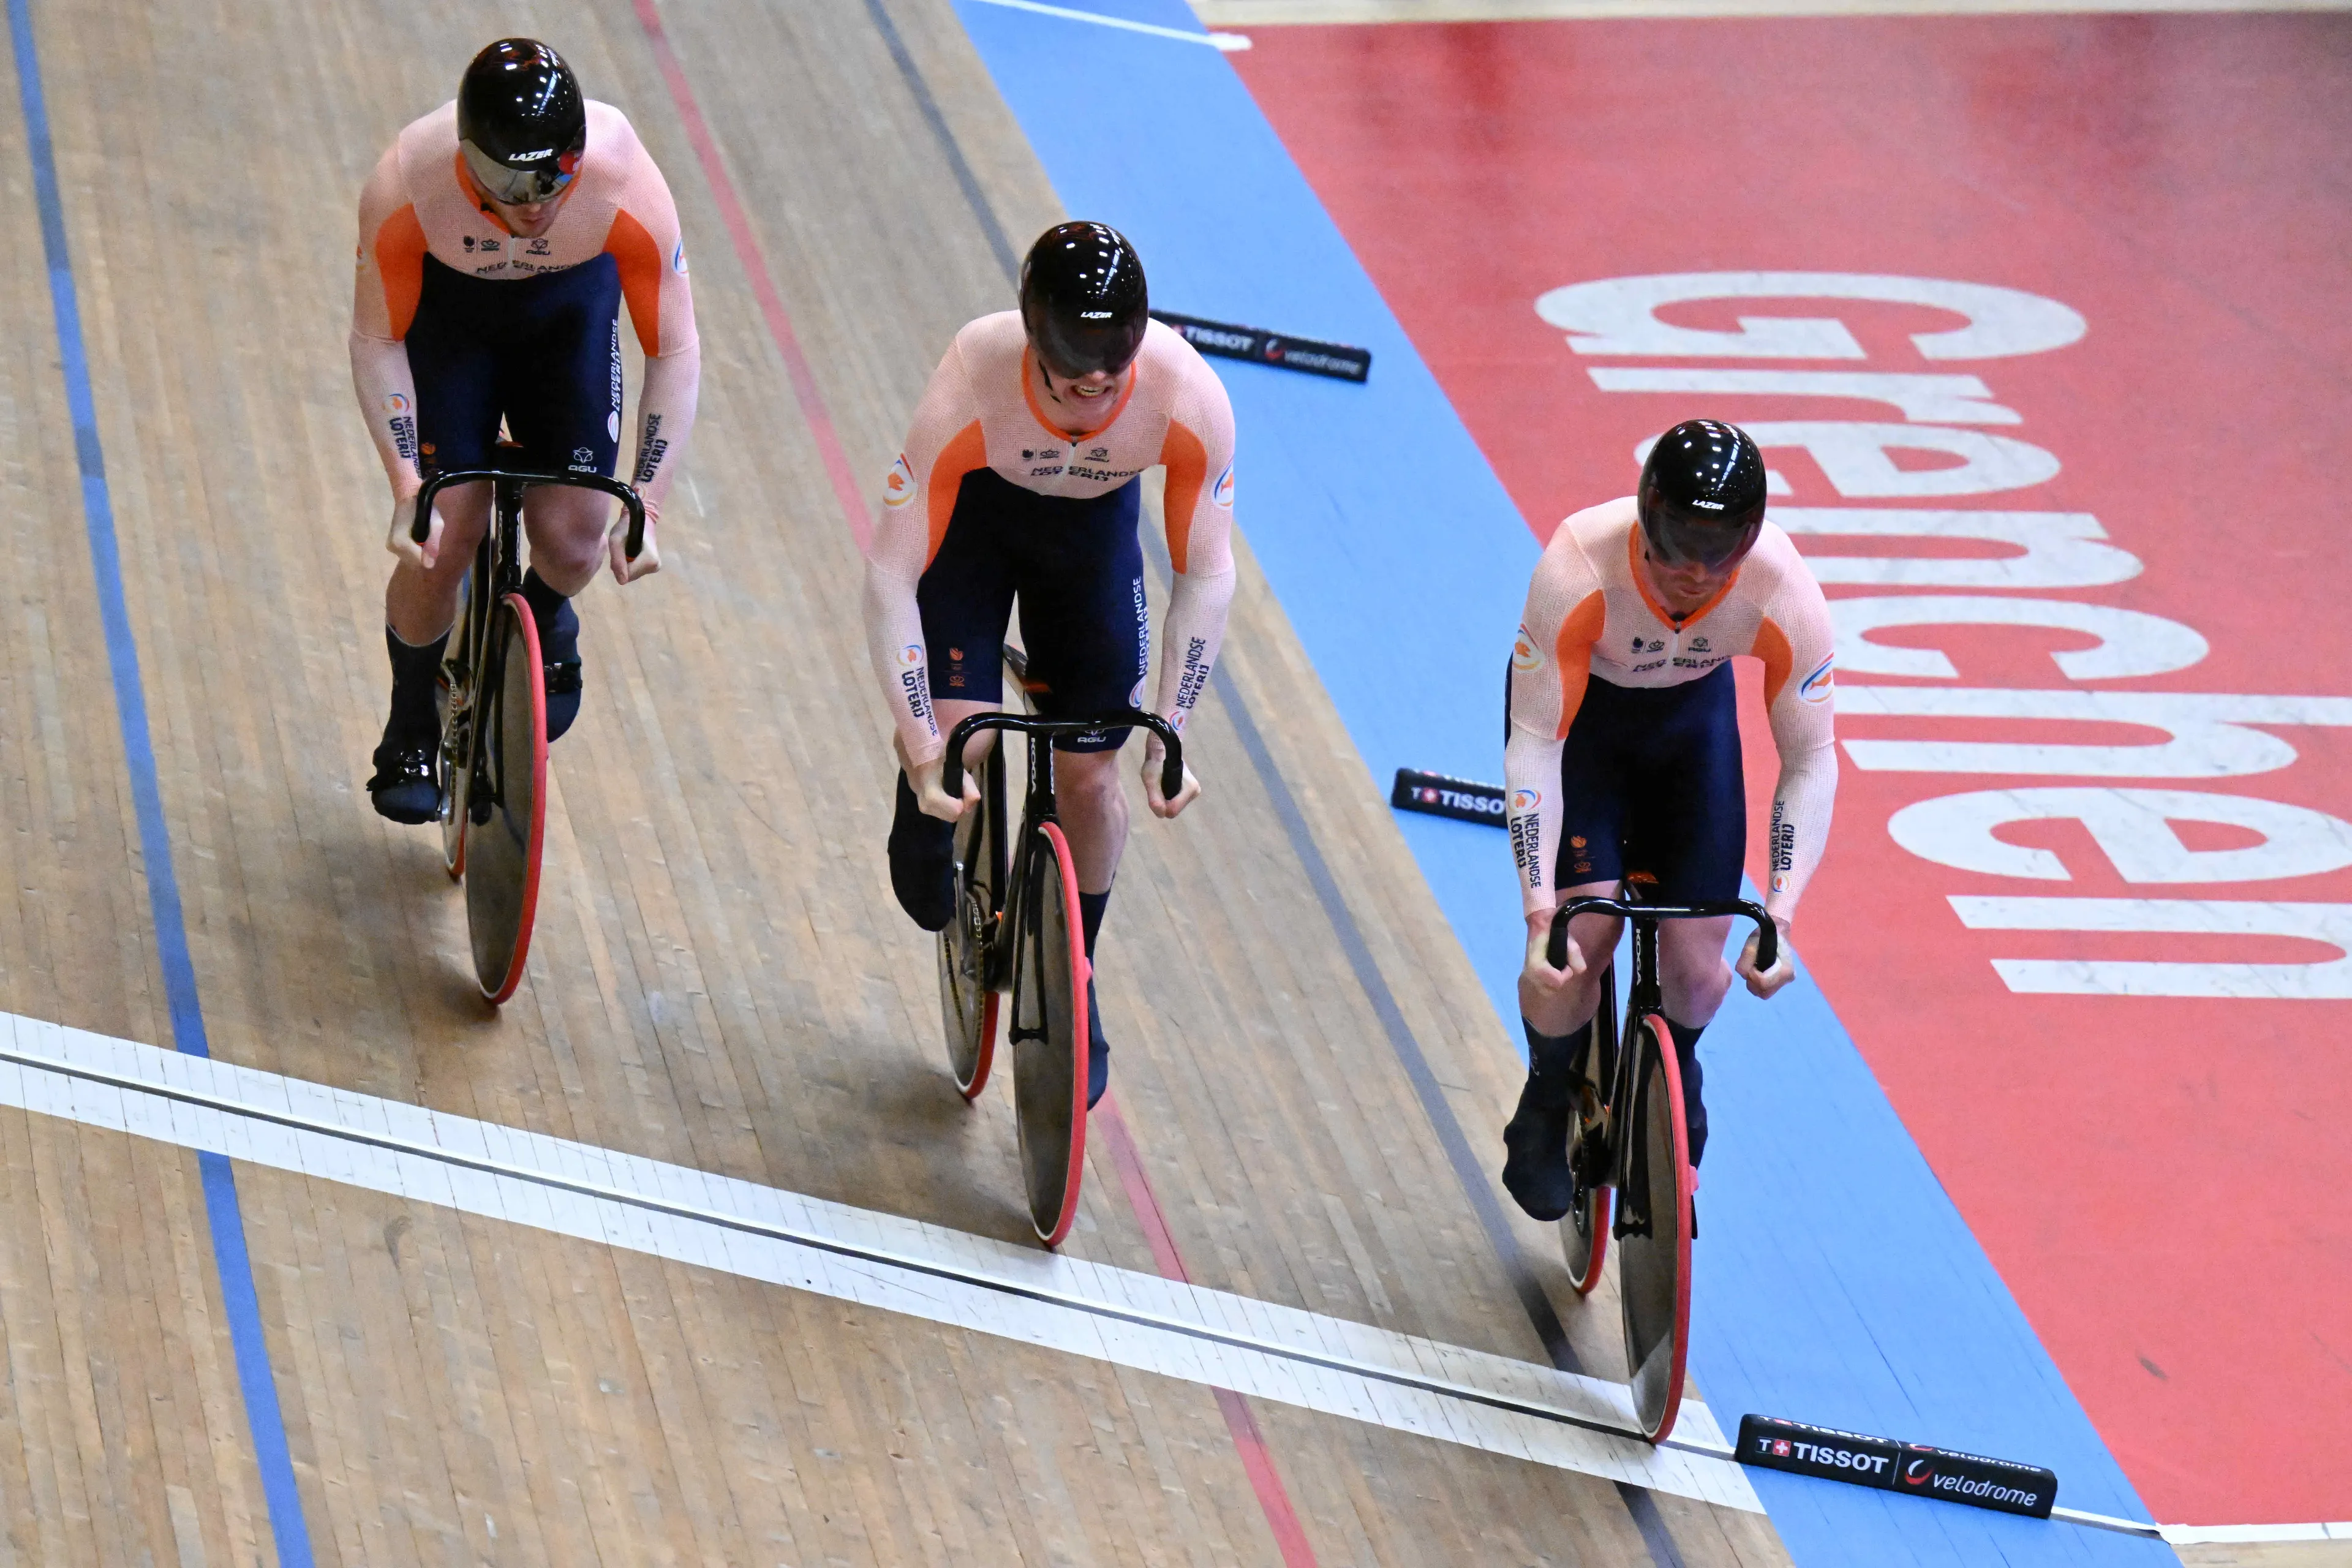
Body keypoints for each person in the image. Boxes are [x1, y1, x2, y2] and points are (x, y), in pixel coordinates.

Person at [863, 221, 1237, 1107]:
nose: (1096, 388)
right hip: (979, 533)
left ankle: (1078, 969)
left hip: (1090, 544)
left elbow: (1207, 574)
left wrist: (1172, 729)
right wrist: (922, 744)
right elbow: (890, 572)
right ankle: (926, 811)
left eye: (1113, 368)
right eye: (1073, 374)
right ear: (1034, 342)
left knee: (1093, 780)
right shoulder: (972, 380)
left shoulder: (1190, 396)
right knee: (966, 744)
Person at [351, 37, 699, 822]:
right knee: (445, 530)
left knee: (576, 537)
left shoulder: (624, 181)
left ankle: (542, 611)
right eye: (515, 183)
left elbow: (674, 348)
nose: (539, 202)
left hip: (565, 315)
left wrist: (650, 498)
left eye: (556, 176)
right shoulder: (407, 185)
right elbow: (376, 340)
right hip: (452, 321)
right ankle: (411, 718)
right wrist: (408, 483)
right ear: (468, 162)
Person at [1500, 420, 1837, 1219]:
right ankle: (1547, 1094)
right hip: (1585, 733)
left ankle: (1680, 1057)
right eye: (1678, 542)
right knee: (1579, 942)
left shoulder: (1784, 588)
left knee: (1698, 966)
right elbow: (1535, 746)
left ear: (1749, 542)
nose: (1693, 570)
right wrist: (1538, 910)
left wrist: (1781, 913)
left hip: (1691, 735)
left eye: (1717, 550)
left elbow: (1812, 759)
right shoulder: (1578, 564)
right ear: (1647, 518)